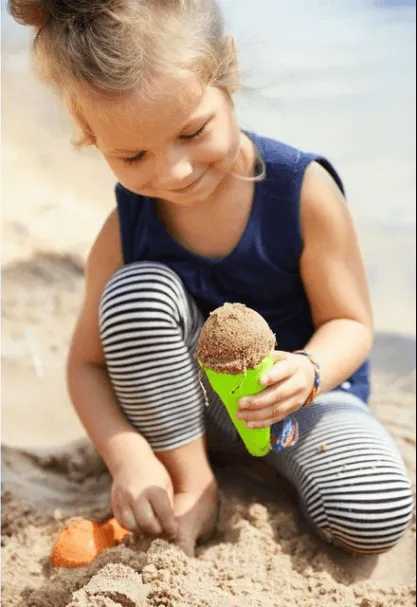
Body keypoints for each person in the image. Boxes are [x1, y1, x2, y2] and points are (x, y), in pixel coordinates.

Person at [9, 0, 414, 558]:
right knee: (135, 292)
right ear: (88, 133)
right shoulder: (125, 228)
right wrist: (130, 457)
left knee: (374, 514)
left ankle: (269, 468)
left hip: (295, 402)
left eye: (193, 131)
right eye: (132, 156)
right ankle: (195, 481)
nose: (172, 171)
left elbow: (349, 322)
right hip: (181, 412)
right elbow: (86, 365)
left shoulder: (302, 193)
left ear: (228, 70)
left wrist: (311, 371)